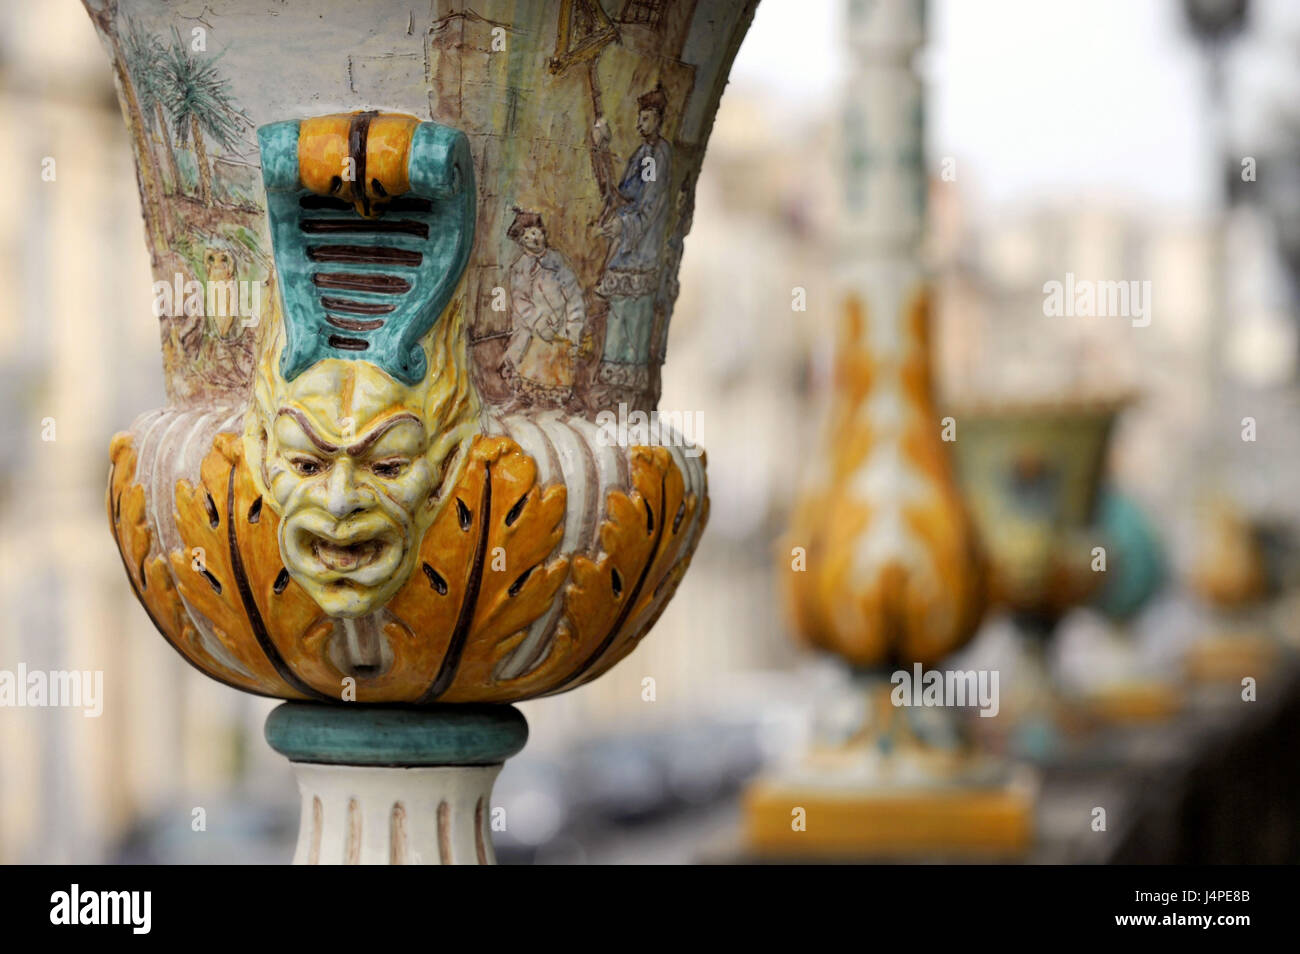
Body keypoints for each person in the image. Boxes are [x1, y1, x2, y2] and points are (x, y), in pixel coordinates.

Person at [593, 82, 672, 392]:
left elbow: (650, 204)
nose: (640, 123)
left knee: (633, 314)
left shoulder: (658, 156)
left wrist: (624, 226)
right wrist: (604, 149)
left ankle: (626, 386)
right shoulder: (642, 153)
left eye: (646, 118)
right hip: (631, 243)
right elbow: (624, 193)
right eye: (639, 118)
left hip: (642, 247)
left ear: (659, 119)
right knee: (620, 311)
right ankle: (613, 379)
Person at [501, 208, 587, 407]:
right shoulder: (521, 268)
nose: (534, 238)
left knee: (558, 361)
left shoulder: (558, 264)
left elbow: (573, 294)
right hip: (534, 327)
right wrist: (538, 322)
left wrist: (572, 326)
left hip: (559, 325)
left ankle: (557, 399)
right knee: (531, 359)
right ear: (521, 241)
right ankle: (527, 396)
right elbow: (520, 299)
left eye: (536, 232)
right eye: (528, 235)